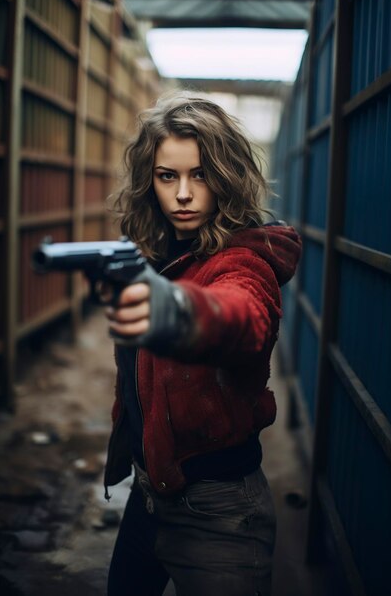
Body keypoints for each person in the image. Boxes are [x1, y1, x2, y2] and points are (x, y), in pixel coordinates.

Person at [104, 92, 301, 596]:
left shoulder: (244, 260)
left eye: (201, 175)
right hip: (149, 496)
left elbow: (243, 315)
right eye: (168, 176)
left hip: (220, 511)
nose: (184, 194)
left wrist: (177, 311)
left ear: (227, 177)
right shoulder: (159, 249)